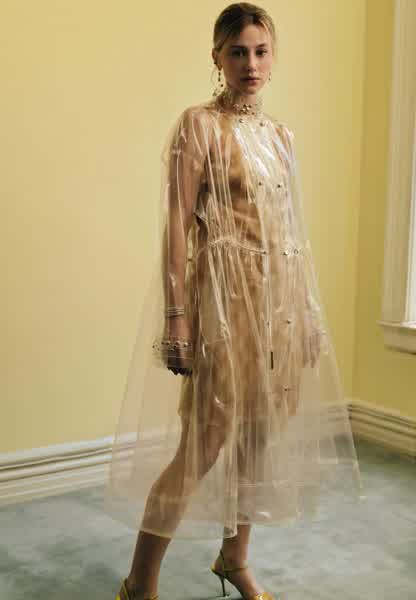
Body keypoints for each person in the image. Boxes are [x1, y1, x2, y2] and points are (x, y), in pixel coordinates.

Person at [104, 3, 366, 600]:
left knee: (258, 440)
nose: (251, 64)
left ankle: (233, 558)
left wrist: (308, 315)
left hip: (279, 306)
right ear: (217, 57)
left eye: (261, 51)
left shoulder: (281, 137)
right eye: (238, 52)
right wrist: (177, 316)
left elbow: (292, 231)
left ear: (273, 58)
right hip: (224, 304)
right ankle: (139, 583)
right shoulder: (198, 126)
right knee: (203, 443)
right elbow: (176, 226)